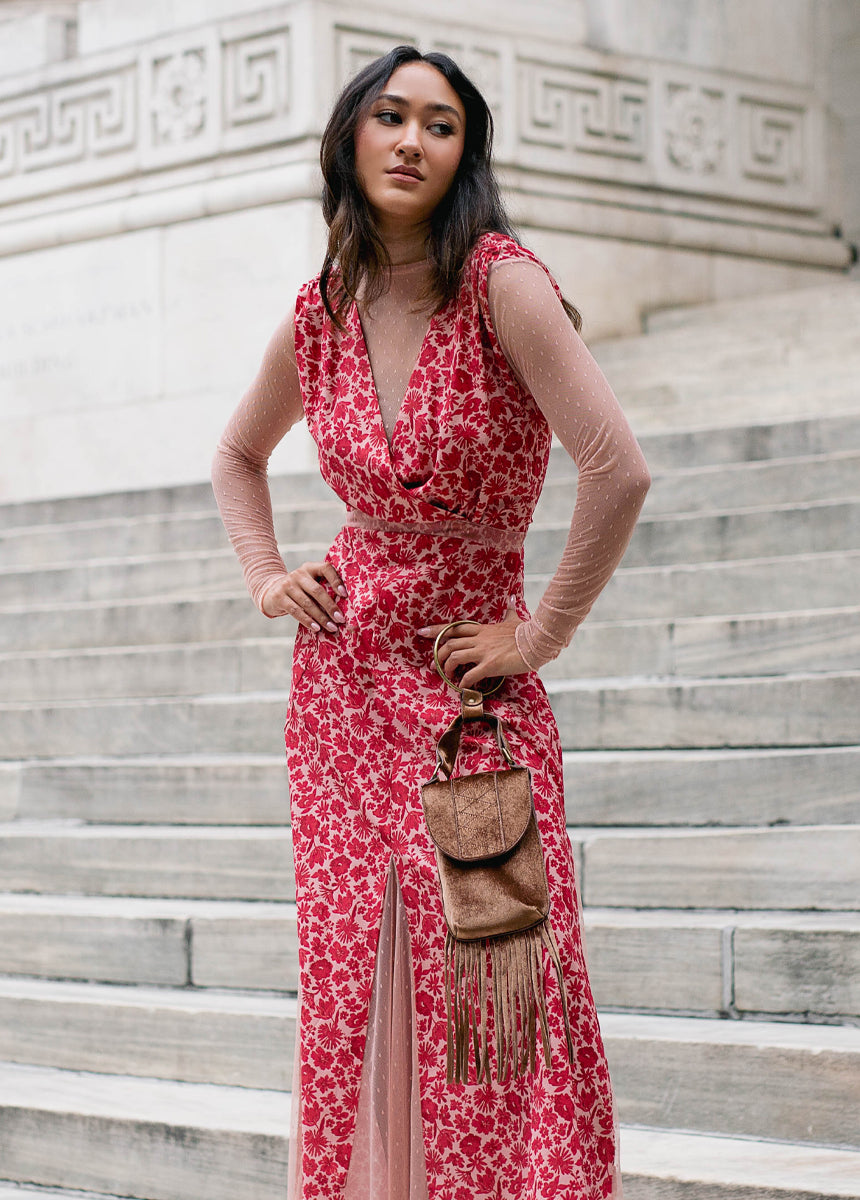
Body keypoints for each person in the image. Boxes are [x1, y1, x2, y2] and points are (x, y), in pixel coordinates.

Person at [211, 44, 650, 1200]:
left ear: (465, 155)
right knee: (356, 979)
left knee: (498, 992)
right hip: (343, 697)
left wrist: (537, 636)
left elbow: (616, 469)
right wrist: (267, 576)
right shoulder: (321, 312)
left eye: (441, 124)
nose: (412, 140)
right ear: (350, 137)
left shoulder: (502, 284)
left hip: (470, 703)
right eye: (391, 116)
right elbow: (235, 455)